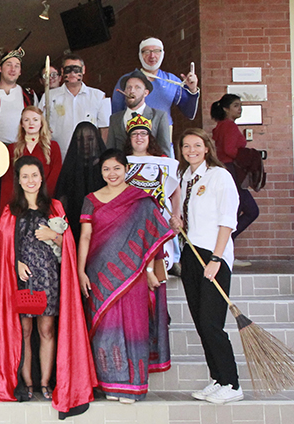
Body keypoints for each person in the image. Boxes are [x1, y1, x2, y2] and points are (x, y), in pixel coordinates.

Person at [0, 157, 97, 416]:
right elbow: (3, 247)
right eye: (25, 176)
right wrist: (15, 263)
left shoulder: (54, 207)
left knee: (47, 329)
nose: (30, 180)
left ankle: (45, 382)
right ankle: (27, 382)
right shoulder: (11, 210)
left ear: (41, 178)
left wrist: (53, 235)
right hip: (21, 279)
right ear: (18, 180)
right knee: (23, 329)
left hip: (49, 277)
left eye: (34, 175)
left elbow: (68, 244)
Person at [77, 150, 175, 403]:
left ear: (126, 170)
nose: (112, 174)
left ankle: (134, 385)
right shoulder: (91, 199)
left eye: (117, 168)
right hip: (100, 273)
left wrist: (152, 272)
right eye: (106, 169)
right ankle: (110, 383)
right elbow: (85, 236)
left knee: (134, 326)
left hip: (134, 273)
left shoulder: (140, 200)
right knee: (105, 328)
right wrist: (80, 270)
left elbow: (153, 238)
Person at [169, 129, 242, 404]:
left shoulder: (219, 177)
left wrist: (217, 259)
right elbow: (194, 216)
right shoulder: (186, 177)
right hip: (191, 253)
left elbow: (227, 221)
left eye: (197, 145)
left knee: (212, 323)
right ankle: (218, 378)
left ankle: (232, 384)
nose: (191, 150)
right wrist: (180, 224)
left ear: (207, 148)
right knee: (201, 323)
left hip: (213, 255)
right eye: (186, 146)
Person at [124, 114, 182, 271]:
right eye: (135, 134)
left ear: (150, 137)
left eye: (143, 133)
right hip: (132, 219)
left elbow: (175, 191)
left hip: (161, 216)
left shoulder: (163, 160)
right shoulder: (121, 162)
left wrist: (176, 215)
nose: (139, 137)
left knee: (160, 263)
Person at [110, 37, 200, 126]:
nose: (152, 56)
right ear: (140, 55)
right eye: (147, 51)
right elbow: (115, 114)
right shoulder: (127, 81)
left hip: (163, 136)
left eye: (157, 51)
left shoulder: (172, 80)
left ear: (163, 53)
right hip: (134, 135)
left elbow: (189, 113)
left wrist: (192, 89)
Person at [210, 94, 260, 245]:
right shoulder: (229, 125)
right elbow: (230, 150)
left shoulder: (220, 126)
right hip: (232, 170)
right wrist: (247, 156)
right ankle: (225, 243)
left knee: (233, 209)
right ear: (226, 109)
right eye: (236, 105)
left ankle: (225, 244)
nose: (240, 109)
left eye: (240, 105)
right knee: (250, 210)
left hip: (224, 168)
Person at [0, 105, 62, 213]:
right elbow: (8, 181)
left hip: (44, 201)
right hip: (20, 203)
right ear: (22, 124)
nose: (31, 123)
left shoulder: (53, 147)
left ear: (41, 123)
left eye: (35, 119)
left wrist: (42, 198)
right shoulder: (12, 149)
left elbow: (55, 177)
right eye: (26, 120)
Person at [41, 55, 109, 150]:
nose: (72, 73)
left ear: (83, 70)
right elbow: (40, 125)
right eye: (68, 69)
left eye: (76, 69)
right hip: (59, 154)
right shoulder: (48, 96)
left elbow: (105, 129)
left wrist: (101, 154)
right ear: (62, 71)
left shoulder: (98, 96)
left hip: (89, 154)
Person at [54, 122, 106, 245]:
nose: (85, 144)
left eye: (90, 139)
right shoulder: (69, 168)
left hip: (102, 230)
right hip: (74, 229)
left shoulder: (105, 168)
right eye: (80, 140)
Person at [0, 48, 37, 145]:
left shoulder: (30, 95)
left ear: (20, 71)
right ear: (0, 69)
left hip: (23, 146)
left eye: (17, 66)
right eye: (8, 65)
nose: (13, 69)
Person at [107, 70, 172, 156]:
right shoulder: (115, 119)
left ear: (146, 93)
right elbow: (110, 152)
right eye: (128, 87)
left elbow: (165, 152)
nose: (132, 91)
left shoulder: (159, 116)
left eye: (137, 87)